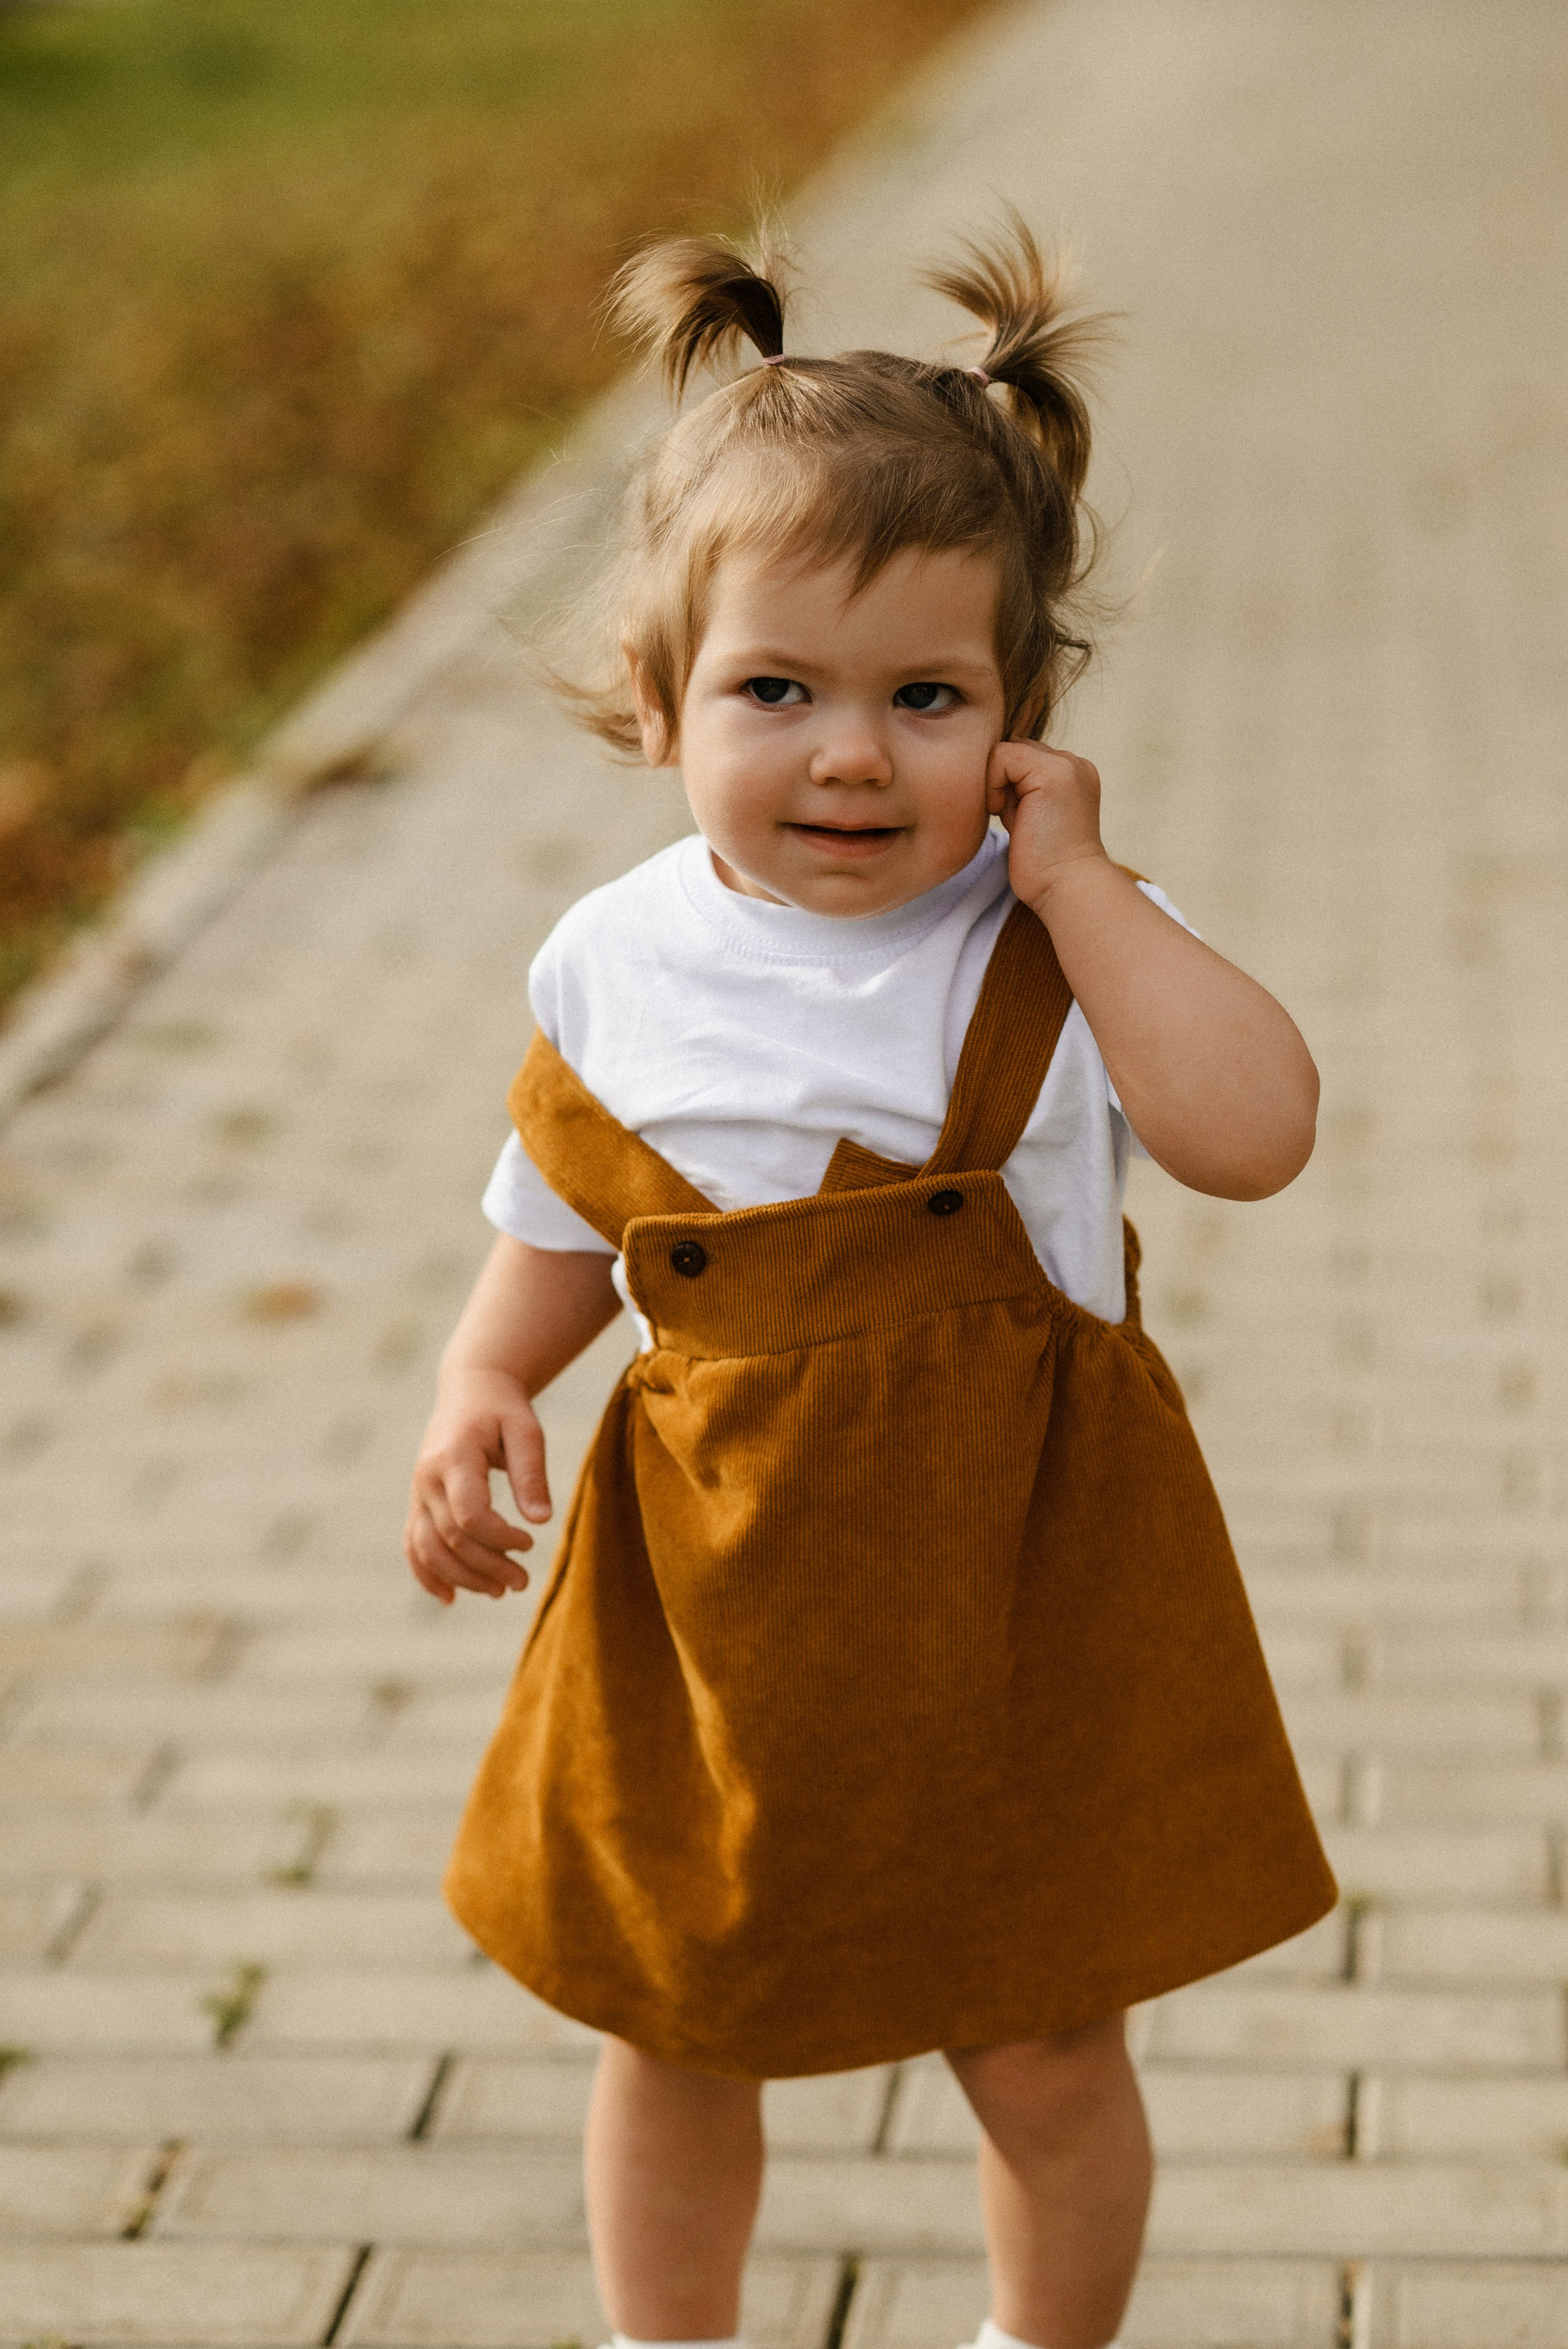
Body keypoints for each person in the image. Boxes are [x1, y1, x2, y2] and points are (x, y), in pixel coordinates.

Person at [405, 214, 1336, 2349]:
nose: (851, 754)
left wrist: (1088, 882)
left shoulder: (1050, 934)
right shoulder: (618, 955)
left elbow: (1256, 1134)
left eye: (927, 698)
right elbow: (569, 1203)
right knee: (675, 2023)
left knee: (1038, 2047)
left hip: (1018, 1586)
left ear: (1022, 718)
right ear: (657, 704)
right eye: (777, 692)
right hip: (715, 1605)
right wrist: (482, 1381)